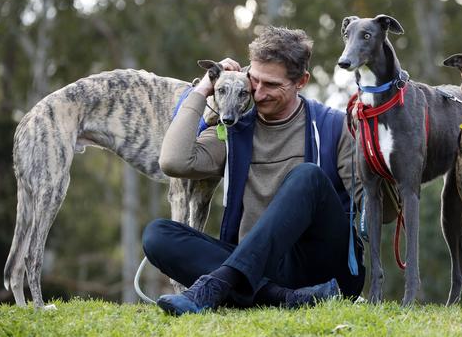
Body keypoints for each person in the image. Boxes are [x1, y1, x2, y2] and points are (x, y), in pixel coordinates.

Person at [142, 26, 365, 315]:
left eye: (271, 85)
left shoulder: (335, 126)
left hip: (326, 271)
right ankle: (282, 297)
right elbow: (173, 161)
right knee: (157, 234)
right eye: (254, 80)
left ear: (301, 82)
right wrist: (204, 88)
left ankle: (216, 285)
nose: (257, 93)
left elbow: (377, 211)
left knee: (307, 176)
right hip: (258, 271)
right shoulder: (233, 130)